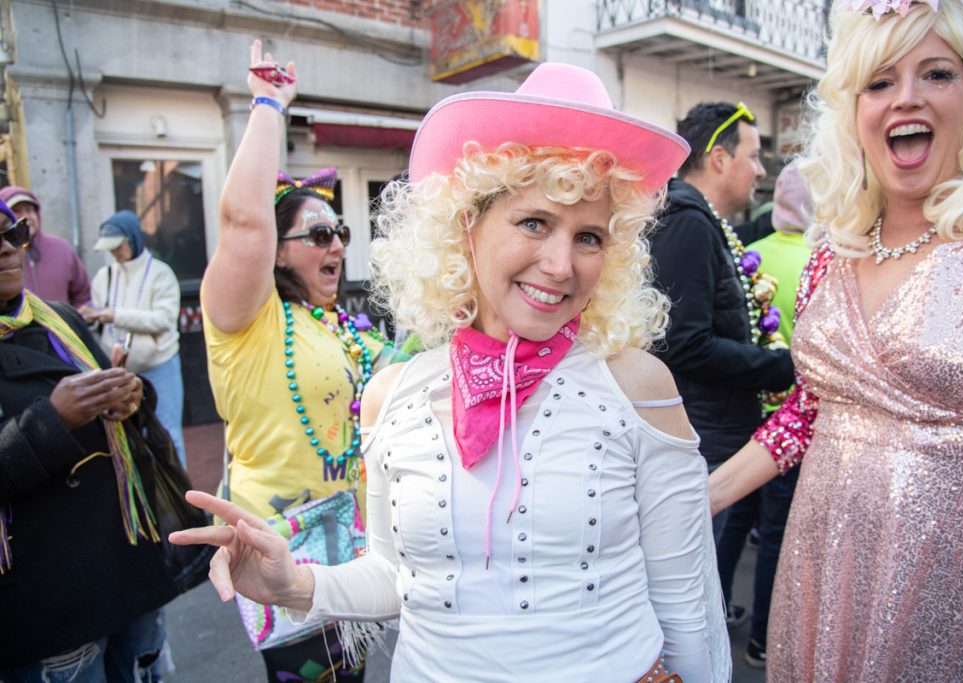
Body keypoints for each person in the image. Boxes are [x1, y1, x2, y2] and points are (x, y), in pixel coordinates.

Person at [172, 46, 731, 683]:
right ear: (467, 227)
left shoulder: (636, 386)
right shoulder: (392, 394)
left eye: (589, 237)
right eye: (534, 222)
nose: (561, 263)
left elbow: (689, 606)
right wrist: (294, 584)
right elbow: (399, 577)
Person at [709, 1, 963, 680]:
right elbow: (805, 414)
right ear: (854, 111)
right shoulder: (833, 249)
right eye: (879, 82)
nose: (905, 97)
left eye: (936, 73)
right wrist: (697, 497)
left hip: (962, 579)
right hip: (822, 562)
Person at [195, 41, 388, 683]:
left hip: (352, 543)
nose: (336, 243)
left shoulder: (337, 323)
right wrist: (268, 105)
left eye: (341, 233)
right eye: (318, 234)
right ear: (278, 253)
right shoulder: (248, 321)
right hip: (281, 543)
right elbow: (244, 224)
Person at [0, 196, 175, 681]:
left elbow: (118, 399)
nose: (8, 250)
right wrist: (53, 419)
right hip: (51, 606)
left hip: (122, 575)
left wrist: (130, 397)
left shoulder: (60, 320)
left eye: (13, 234)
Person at [648, 102, 794, 627]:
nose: (760, 170)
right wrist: (780, 368)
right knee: (686, 608)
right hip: (701, 442)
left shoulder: (702, 222)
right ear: (718, 159)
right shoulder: (688, 223)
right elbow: (683, 344)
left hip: (712, 436)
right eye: (753, 157)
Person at [712, 159, 812, 668]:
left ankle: (718, 606)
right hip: (797, 426)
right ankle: (763, 642)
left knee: (735, 522)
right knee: (774, 533)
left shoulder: (748, 255)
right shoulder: (826, 259)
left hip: (750, 411)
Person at [79, 210, 187, 468]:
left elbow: (163, 319)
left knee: (168, 434)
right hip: (120, 370)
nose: (115, 252)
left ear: (133, 239)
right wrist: (91, 318)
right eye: (110, 248)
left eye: (119, 245)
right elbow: (100, 318)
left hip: (159, 366)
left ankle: (183, 499)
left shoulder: (161, 274)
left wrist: (113, 315)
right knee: (128, 438)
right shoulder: (103, 276)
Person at [0, 185, 91, 307]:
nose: (26, 216)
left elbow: (82, 295)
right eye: (17, 210)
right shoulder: (7, 254)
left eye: (29, 209)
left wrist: (76, 318)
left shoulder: (62, 249)